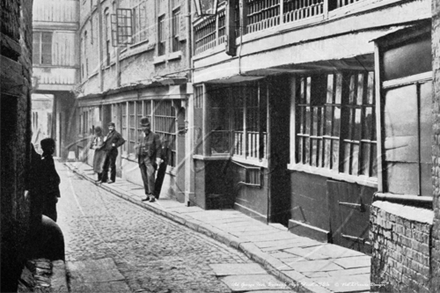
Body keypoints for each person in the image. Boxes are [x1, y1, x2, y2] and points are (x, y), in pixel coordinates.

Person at [136, 117, 162, 202]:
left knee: (150, 177)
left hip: (150, 160)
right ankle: (147, 194)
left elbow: (158, 148)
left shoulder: (155, 136)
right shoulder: (140, 136)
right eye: (143, 126)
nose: (145, 128)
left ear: (149, 126)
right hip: (142, 159)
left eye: (147, 126)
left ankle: (152, 195)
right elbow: (136, 146)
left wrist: (158, 158)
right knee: (144, 178)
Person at [40, 138, 61, 222]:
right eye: (52, 147)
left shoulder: (46, 158)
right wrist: (54, 193)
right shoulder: (47, 160)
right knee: (51, 216)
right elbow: (50, 177)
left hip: (49, 194)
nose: (53, 149)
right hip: (49, 194)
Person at [154, 135, 171, 199]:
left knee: (159, 178)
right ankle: (152, 193)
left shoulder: (167, 149)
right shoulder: (158, 147)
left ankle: (156, 194)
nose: (164, 143)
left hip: (162, 165)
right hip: (155, 163)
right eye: (163, 141)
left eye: (166, 142)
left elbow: (168, 157)